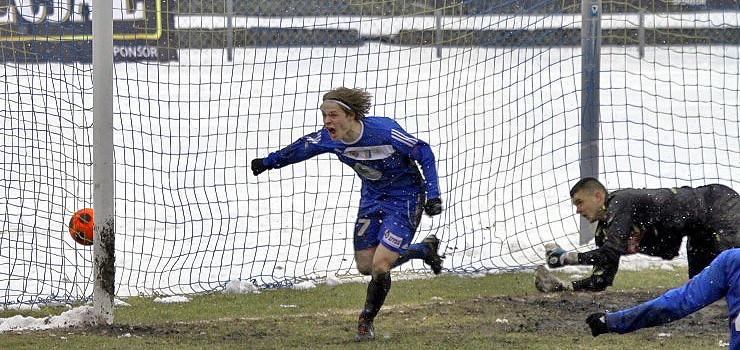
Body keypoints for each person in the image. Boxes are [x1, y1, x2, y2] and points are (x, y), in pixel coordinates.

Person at [250, 87, 444, 342]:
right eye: (324, 115)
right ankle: (423, 250)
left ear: (351, 115)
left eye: (333, 115)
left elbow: (423, 151)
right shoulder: (330, 139)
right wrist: (268, 162)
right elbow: (302, 147)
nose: (327, 121)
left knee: (381, 265)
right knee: (366, 266)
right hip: (372, 199)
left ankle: (366, 321)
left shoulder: (384, 132)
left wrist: (433, 195)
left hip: (405, 198)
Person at [535, 177, 740, 292]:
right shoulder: (605, 233)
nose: (578, 210)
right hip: (698, 231)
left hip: (719, 205)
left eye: (580, 202)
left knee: (732, 275)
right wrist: (565, 286)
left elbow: (610, 252)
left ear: (598, 196)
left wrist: (567, 258)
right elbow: (601, 279)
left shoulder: (621, 202)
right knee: (702, 292)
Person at [585, 248, 740, 350]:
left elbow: (677, 303)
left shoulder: (732, 261)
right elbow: (676, 303)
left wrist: (614, 321)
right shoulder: (732, 262)